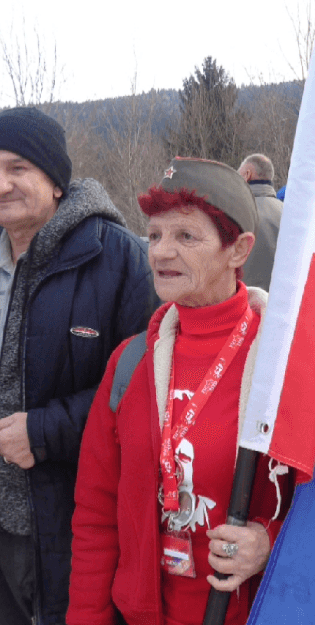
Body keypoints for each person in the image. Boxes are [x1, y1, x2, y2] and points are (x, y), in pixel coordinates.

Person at [68, 157, 296, 624]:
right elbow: (95, 515)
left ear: (239, 250)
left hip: (251, 612)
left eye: (185, 236)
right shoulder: (130, 363)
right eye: (154, 236)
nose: (160, 253)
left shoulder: (284, 364)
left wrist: (270, 542)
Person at [0, 107, 157, 625]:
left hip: (74, 526)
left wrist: (45, 431)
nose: (0, 185)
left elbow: (147, 386)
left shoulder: (117, 258)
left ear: (56, 180)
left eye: (18, 168)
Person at [237, 153, 283, 291]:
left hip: (245, 303)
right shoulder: (288, 213)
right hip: (281, 303)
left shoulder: (236, 213)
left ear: (247, 174)